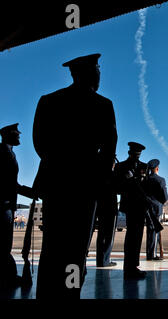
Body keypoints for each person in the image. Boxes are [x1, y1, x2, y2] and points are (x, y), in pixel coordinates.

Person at [33, 54, 118, 298]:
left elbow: (39, 142)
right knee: (76, 248)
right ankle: (70, 294)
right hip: (85, 185)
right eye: (98, 70)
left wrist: (57, 163)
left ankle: (47, 294)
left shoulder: (49, 101)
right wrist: (97, 178)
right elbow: (109, 148)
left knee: (52, 246)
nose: (100, 75)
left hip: (55, 183)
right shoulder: (103, 105)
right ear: (91, 73)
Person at [0, 123, 36, 290]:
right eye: (17, 134)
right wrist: (30, 192)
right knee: (4, 243)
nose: (19, 136)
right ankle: (9, 277)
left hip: (7, 204)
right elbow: (9, 183)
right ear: (7, 135)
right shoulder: (3, 153)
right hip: (3, 205)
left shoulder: (9, 152)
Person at [115, 142, 148, 279]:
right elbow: (116, 188)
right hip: (129, 205)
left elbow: (146, 187)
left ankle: (133, 266)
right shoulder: (120, 167)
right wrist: (126, 180)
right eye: (134, 153)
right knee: (131, 237)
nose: (136, 156)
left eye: (138, 154)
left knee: (138, 236)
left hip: (140, 206)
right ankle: (129, 268)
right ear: (129, 153)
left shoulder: (143, 167)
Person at [94, 159, 119, 267]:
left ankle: (100, 259)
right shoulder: (113, 175)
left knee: (101, 235)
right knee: (109, 235)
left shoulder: (98, 174)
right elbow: (119, 189)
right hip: (110, 208)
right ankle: (105, 260)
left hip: (100, 208)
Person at [144, 159, 168, 261]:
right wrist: (159, 203)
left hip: (146, 207)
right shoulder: (160, 180)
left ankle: (151, 252)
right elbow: (165, 197)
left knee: (150, 230)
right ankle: (152, 254)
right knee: (154, 230)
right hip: (156, 207)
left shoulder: (145, 180)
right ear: (157, 169)